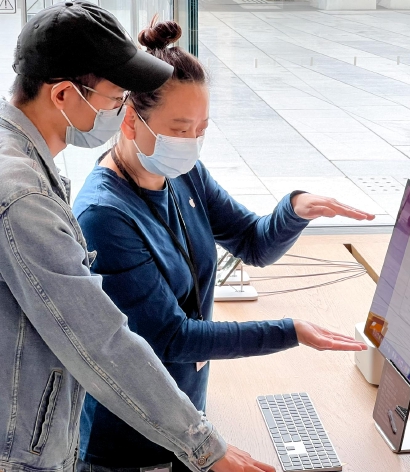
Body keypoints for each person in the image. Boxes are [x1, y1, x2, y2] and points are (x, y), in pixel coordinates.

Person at [73, 17, 373, 471]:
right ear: (131, 120)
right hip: (130, 445)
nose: (192, 143)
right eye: (179, 128)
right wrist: (290, 331)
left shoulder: (182, 173)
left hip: (185, 421)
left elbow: (253, 243)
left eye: (202, 129)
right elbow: (171, 338)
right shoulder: (104, 217)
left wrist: (296, 209)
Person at [0, 2, 286, 471]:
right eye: (116, 99)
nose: (122, 112)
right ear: (64, 96)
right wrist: (204, 447)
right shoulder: (24, 198)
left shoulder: (26, 163)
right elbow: (101, 340)